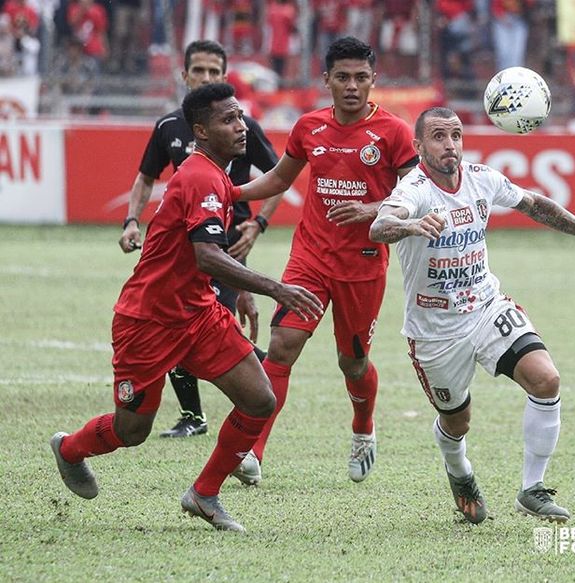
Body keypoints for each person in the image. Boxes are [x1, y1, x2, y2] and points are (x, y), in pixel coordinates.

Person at [50, 82, 324, 532]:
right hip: (147, 322)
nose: (240, 127)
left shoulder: (215, 172)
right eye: (228, 120)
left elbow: (273, 180)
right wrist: (277, 288)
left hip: (197, 313)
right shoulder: (199, 176)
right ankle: (70, 449)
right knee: (132, 430)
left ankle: (204, 494)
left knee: (259, 401)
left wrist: (312, 154)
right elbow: (208, 256)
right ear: (201, 130)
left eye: (240, 116)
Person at [369, 107, 575, 524]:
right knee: (456, 420)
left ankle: (532, 488)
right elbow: (380, 226)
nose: (450, 145)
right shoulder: (415, 188)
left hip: (485, 307)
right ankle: (459, 470)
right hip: (435, 332)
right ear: (419, 145)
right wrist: (410, 226)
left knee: (546, 377)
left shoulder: (482, 179)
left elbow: (536, 205)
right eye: (439, 137)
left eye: (456, 136)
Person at [231, 36, 419, 486]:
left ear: (373, 80)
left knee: (352, 364)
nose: (352, 86)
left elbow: (418, 195)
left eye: (360, 78)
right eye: (343, 78)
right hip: (310, 258)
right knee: (281, 346)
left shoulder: (393, 132)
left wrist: (372, 209)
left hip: (363, 264)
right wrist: (229, 192)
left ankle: (362, 429)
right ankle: (253, 451)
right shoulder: (308, 126)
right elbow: (279, 178)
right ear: (327, 80)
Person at [119, 39, 282, 440]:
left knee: (233, 356)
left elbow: (276, 177)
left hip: (227, 247)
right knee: (191, 336)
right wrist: (131, 220)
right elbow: (146, 178)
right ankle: (198, 416)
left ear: (224, 76)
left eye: (214, 71)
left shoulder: (240, 131)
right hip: (194, 251)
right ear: (185, 74)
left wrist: (257, 224)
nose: (205, 77)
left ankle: (238, 441)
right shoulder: (173, 135)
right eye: (199, 70)